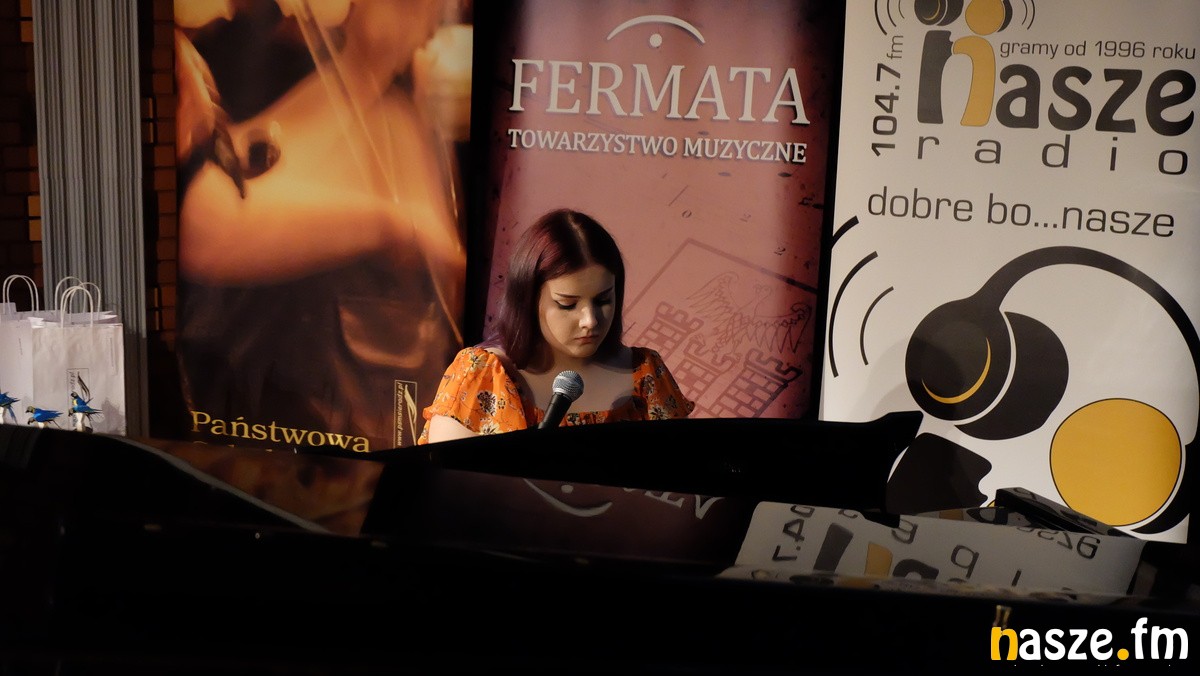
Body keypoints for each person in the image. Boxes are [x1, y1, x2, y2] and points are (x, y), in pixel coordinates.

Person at [172, 0, 471, 450]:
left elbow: (447, 279)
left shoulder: (398, 119)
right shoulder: (244, 54)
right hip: (260, 422)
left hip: (358, 427)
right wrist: (395, 224)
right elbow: (213, 226)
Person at [419, 208, 695, 444]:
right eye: (567, 304)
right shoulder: (481, 374)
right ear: (528, 300)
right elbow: (445, 482)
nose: (590, 320)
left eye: (603, 300)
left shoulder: (645, 374)